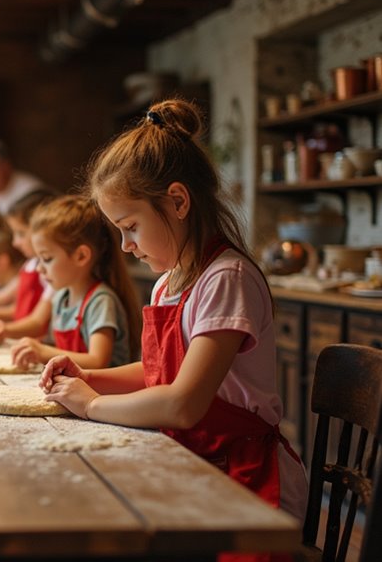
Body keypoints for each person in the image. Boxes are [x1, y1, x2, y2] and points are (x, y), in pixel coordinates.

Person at [40, 99, 307, 532]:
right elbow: (158, 373)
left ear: (178, 201)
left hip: (245, 483)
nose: (126, 245)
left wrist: (91, 405)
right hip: (193, 461)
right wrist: (90, 377)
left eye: (130, 226)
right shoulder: (170, 282)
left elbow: (183, 403)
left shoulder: (226, 280)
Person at [9, 195, 140, 369]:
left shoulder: (100, 301)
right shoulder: (61, 297)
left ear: (81, 256)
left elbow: (97, 361)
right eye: (38, 259)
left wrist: (44, 352)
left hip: (105, 393)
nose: (39, 269)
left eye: (47, 259)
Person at [0, 189, 56, 334]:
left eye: (21, 233)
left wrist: (5, 329)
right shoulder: (29, 265)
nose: (15, 243)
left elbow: (37, 321)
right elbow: (19, 309)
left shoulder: (53, 272)